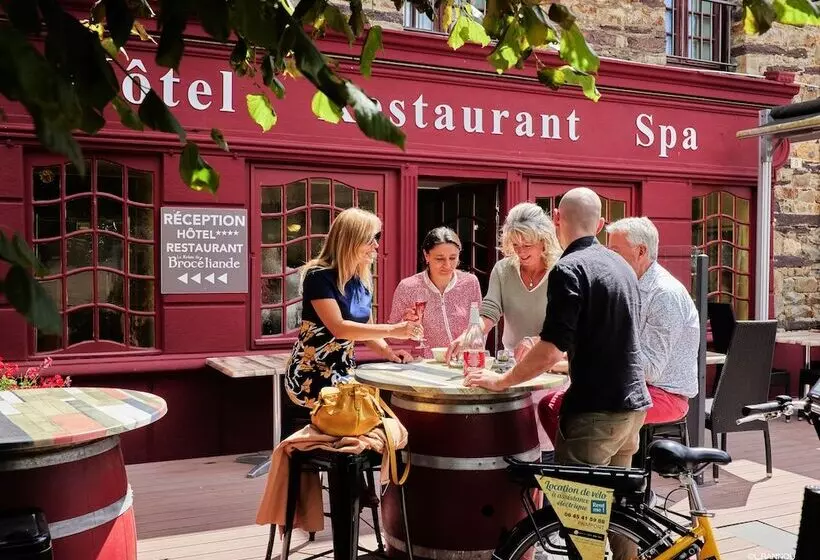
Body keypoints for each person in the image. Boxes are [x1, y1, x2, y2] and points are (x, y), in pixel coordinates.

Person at [465, 187, 650, 560]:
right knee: (620, 516)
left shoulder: (569, 268)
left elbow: (550, 350)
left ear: (557, 220)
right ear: (599, 223)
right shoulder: (620, 265)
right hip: (632, 407)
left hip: (595, 412)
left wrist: (501, 381)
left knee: (582, 527)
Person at [537, 217, 700, 442]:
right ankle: (580, 460)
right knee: (550, 404)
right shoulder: (629, 283)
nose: (609, 257)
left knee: (578, 409)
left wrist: (599, 352)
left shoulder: (664, 294)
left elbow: (651, 370)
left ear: (641, 251)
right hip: (630, 386)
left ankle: (586, 461)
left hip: (665, 395)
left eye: (615, 251)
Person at [284, 207, 420, 409]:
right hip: (311, 373)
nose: (376, 245)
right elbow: (339, 328)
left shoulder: (362, 282)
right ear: (350, 240)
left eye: (378, 237)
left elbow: (368, 332)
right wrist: (394, 330)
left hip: (344, 372)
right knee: (367, 415)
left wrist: (389, 352)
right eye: (370, 239)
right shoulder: (318, 277)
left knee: (372, 415)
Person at [445, 203, 562, 363]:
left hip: (555, 362)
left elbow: (568, 324)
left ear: (544, 241)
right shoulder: (503, 269)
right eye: (515, 245)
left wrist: (534, 342)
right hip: (513, 361)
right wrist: (468, 336)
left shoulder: (562, 270)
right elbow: (489, 311)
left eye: (527, 245)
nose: (521, 251)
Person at [388, 227, 482, 351]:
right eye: (440, 259)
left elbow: (478, 325)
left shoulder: (470, 283)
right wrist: (404, 323)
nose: (447, 265)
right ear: (426, 255)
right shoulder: (407, 287)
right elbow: (392, 339)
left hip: (462, 359)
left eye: (453, 258)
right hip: (424, 361)